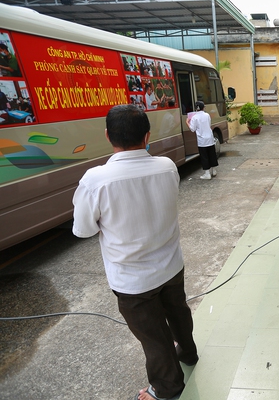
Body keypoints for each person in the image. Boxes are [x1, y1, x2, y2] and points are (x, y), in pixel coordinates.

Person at [72, 105, 198, 400]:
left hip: (133, 280)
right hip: (170, 265)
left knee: (153, 335)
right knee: (178, 312)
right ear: (147, 135)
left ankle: (167, 388)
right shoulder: (166, 166)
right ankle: (189, 353)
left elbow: (84, 229)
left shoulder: (95, 180)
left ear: (107, 136)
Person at [186, 100, 219, 180]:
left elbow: (192, 129)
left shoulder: (194, 117)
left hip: (202, 140)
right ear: (203, 107)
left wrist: (187, 122)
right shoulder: (207, 115)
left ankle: (207, 173)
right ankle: (214, 170)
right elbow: (209, 124)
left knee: (204, 156)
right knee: (212, 154)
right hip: (210, 138)